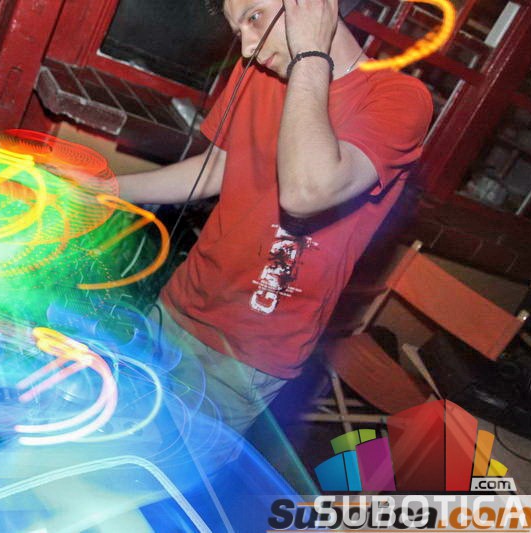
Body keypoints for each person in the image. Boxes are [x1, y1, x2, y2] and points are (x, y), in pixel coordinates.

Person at [116, 0, 433, 434]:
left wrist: (310, 55)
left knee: (166, 470)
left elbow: (307, 191)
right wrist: (108, 188)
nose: (248, 48)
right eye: (239, 31)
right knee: (110, 437)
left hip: (247, 354)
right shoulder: (259, 71)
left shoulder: (398, 97)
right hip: (176, 308)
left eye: (255, 18)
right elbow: (215, 170)